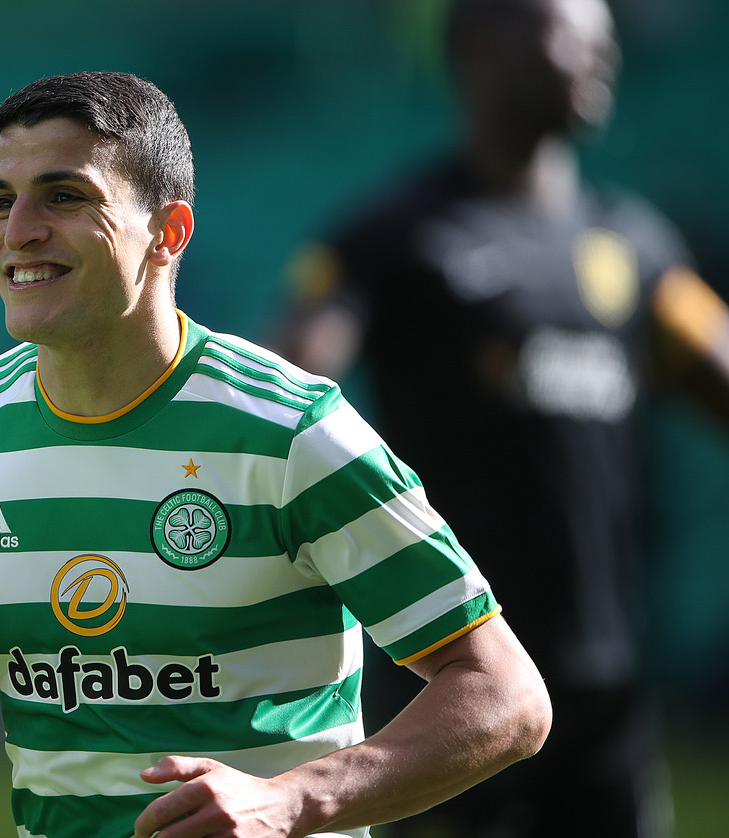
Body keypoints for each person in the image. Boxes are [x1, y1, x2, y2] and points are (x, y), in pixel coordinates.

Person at [0, 70, 552, 838]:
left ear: (168, 231)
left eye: (63, 196)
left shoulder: (288, 428)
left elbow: (508, 697)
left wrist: (287, 800)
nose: (19, 231)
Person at [274, 1, 729, 836]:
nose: (604, 51)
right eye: (574, 31)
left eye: (608, 35)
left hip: (609, 692)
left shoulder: (637, 246)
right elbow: (286, 394)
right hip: (450, 679)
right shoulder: (395, 238)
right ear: (480, 46)